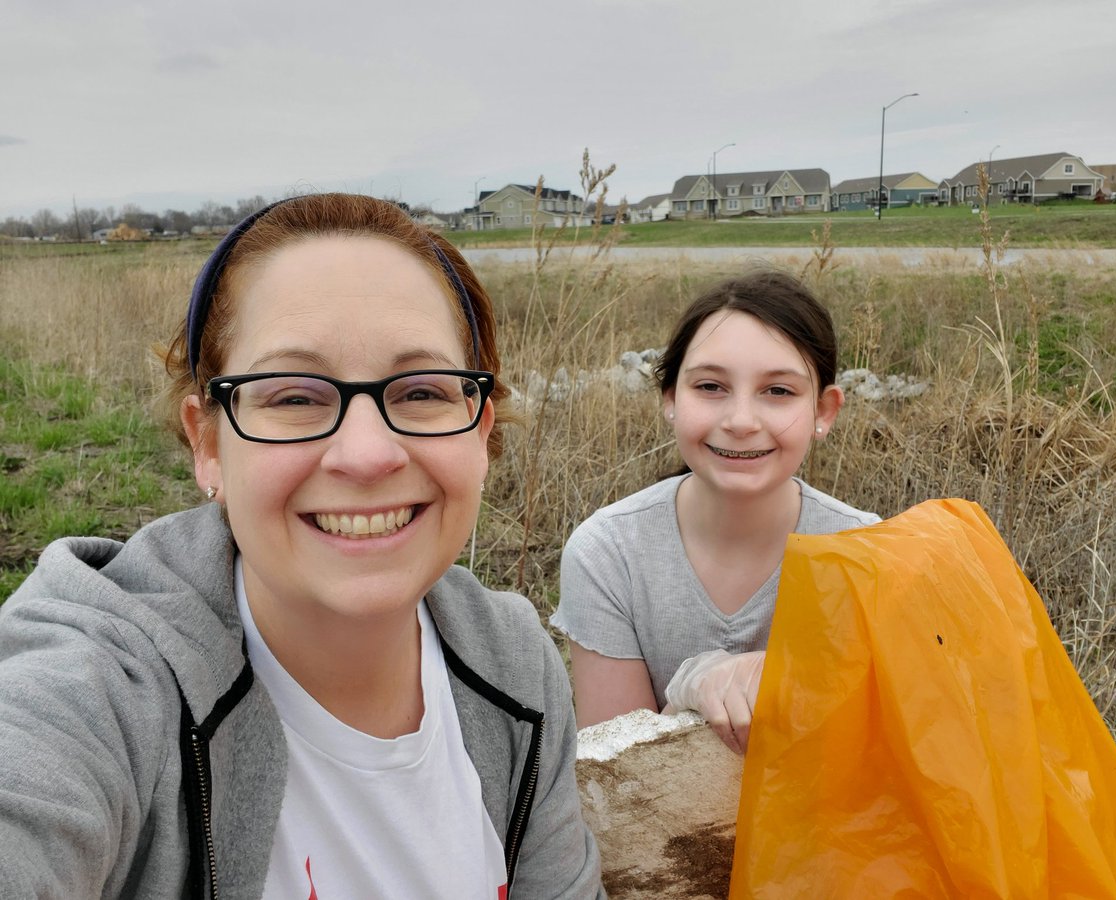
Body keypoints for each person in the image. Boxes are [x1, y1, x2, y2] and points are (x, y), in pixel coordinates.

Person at [0, 194, 604, 899]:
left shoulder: (515, 666)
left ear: (478, 432)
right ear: (208, 443)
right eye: (293, 397)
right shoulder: (107, 690)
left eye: (420, 392)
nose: (368, 453)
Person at [551, 270, 881, 755]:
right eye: (710, 386)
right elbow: (618, 787)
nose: (740, 421)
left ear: (824, 411)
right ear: (670, 400)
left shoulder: (866, 553)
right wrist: (691, 688)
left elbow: (873, 756)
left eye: (779, 392)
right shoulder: (609, 553)